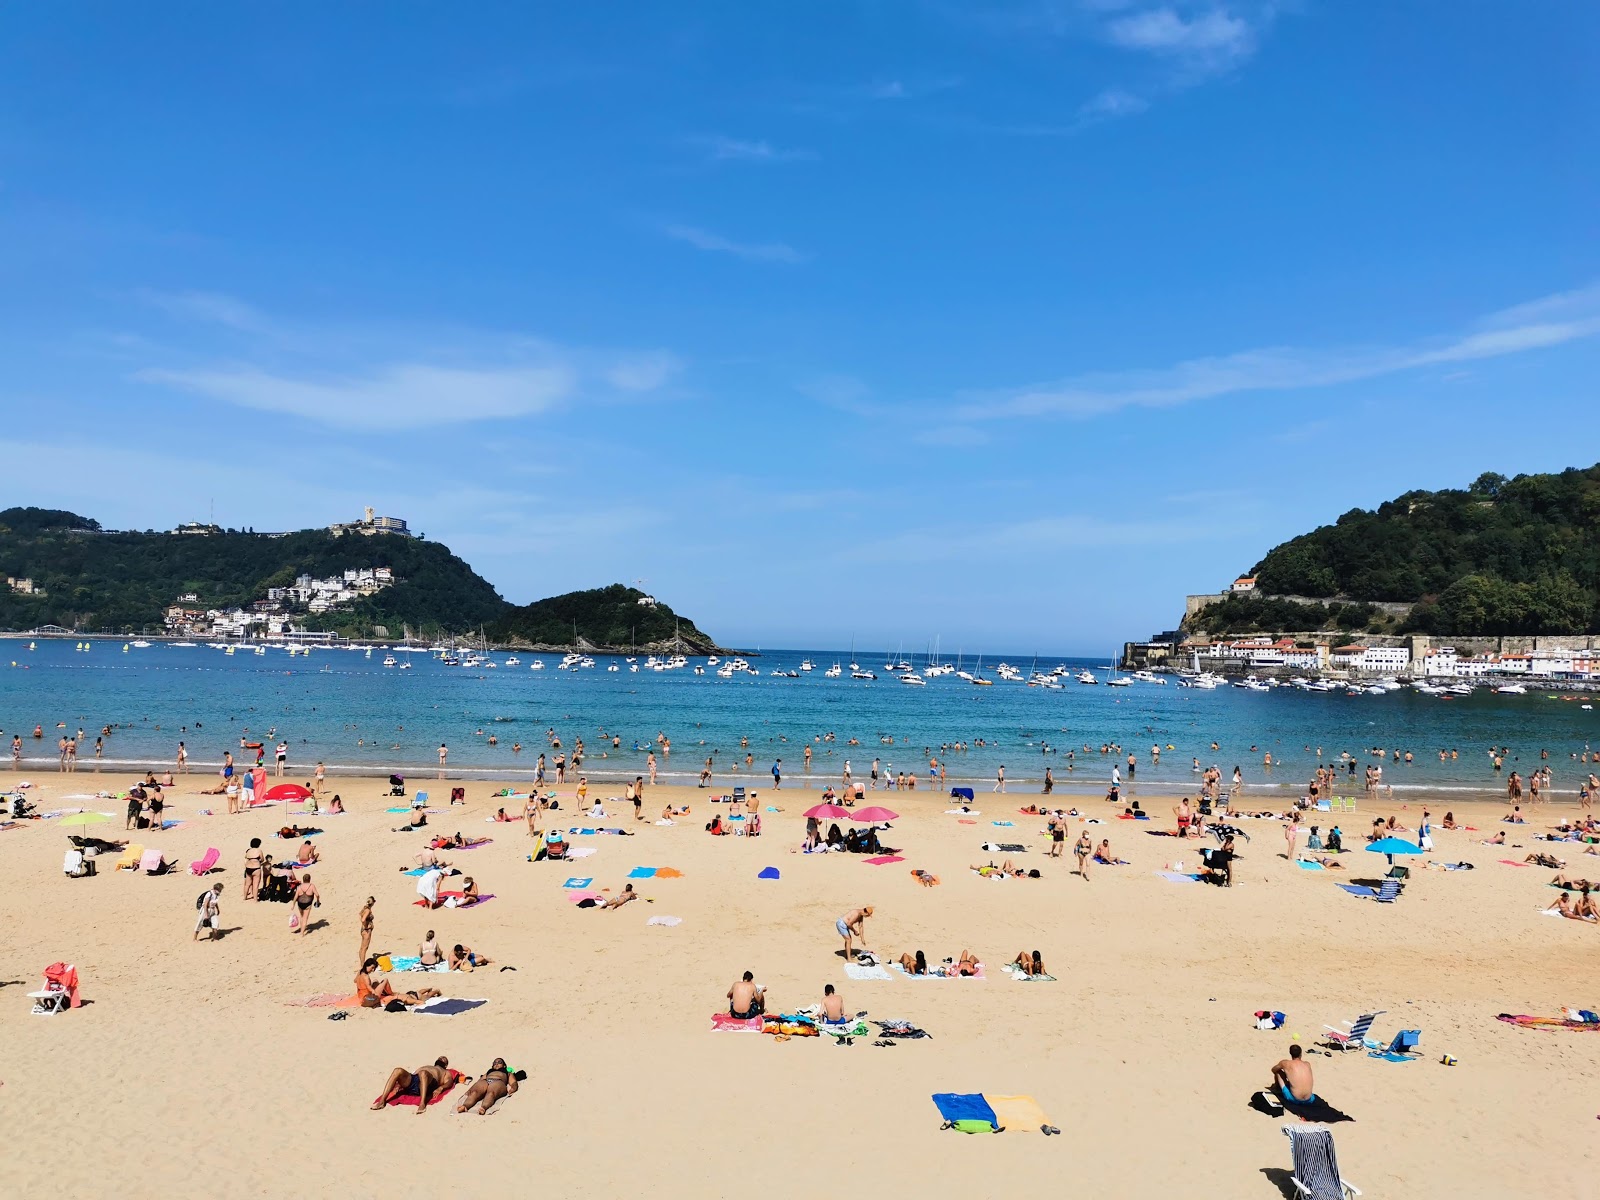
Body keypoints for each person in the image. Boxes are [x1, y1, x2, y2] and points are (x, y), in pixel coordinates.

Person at [371, 1056, 458, 1114]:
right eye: (440, 1057)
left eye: (444, 1059)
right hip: (415, 1080)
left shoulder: (446, 1072)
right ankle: (382, 1102)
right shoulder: (427, 1066)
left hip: (429, 1083)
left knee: (423, 1073)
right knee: (397, 1070)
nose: (441, 1058)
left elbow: (449, 1082)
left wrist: (441, 1087)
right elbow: (413, 1074)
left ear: (446, 1065)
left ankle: (422, 1104)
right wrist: (399, 1085)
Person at [356, 959, 441, 1010]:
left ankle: (430, 989)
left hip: (362, 996)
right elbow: (368, 987)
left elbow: (355, 981)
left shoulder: (360, 972)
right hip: (367, 997)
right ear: (367, 965)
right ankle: (434, 990)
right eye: (372, 968)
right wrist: (374, 992)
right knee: (385, 980)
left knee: (375, 981)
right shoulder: (366, 977)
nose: (373, 970)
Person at [358, 896, 375, 966]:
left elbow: (360, 915)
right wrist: (366, 926)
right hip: (366, 931)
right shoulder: (368, 910)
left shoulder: (364, 908)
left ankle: (361, 963)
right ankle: (362, 965)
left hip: (363, 930)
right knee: (364, 948)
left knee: (362, 948)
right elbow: (363, 919)